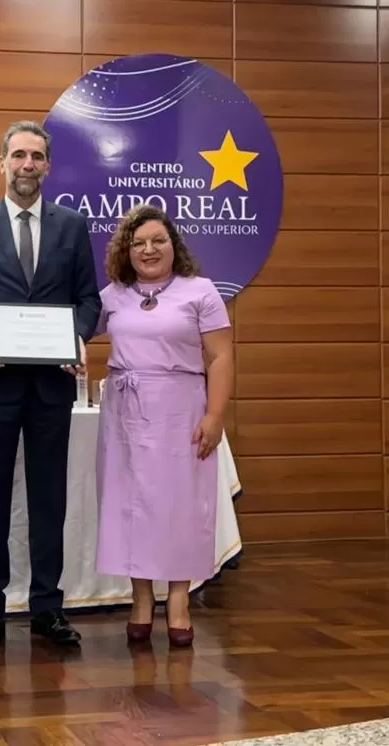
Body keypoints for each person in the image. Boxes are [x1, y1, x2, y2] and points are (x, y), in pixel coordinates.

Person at [0, 120, 102, 649]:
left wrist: (78, 337)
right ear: (2, 162)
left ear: (48, 166)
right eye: (18, 155)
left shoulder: (72, 226)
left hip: (51, 389)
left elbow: (89, 301)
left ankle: (46, 608)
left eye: (36, 156)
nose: (27, 164)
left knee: (48, 500)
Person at [94, 204, 234, 648]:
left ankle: (178, 602)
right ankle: (140, 601)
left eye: (158, 240)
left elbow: (221, 356)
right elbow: (75, 333)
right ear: (126, 250)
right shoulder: (113, 294)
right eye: (138, 243)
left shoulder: (201, 291)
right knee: (132, 507)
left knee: (180, 507)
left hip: (182, 410)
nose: (148, 249)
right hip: (124, 412)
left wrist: (215, 416)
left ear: (174, 246)